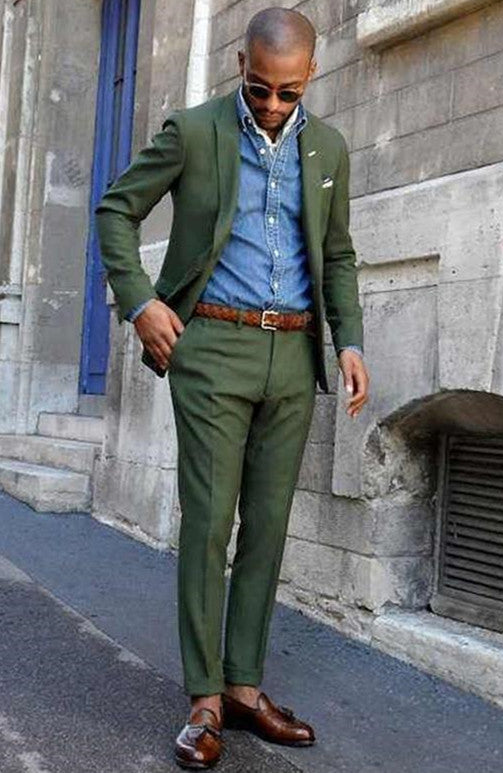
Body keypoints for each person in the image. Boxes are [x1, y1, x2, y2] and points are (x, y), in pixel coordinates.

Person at [95, 6, 370, 769]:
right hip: (211, 345)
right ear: (240, 67)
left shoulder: (327, 148)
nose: (272, 105)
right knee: (211, 521)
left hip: (292, 354)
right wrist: (141, 301)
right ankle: (204, 699)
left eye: (287, 92)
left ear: (309, 75)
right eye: (259, 89)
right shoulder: (194, 132)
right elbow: (116, 210)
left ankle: (244, 687)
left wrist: (348, 339)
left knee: (268, 526)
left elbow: (337, 255)